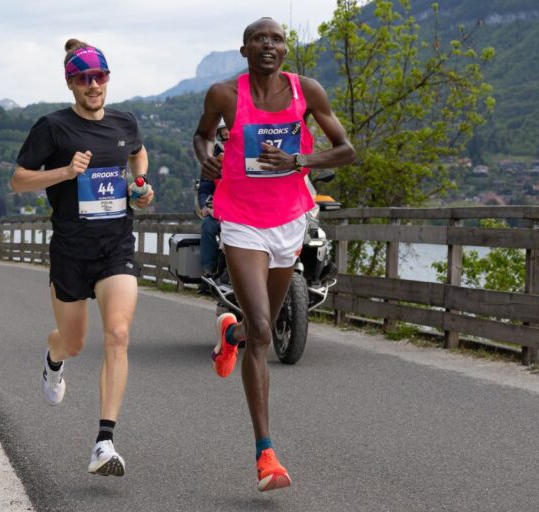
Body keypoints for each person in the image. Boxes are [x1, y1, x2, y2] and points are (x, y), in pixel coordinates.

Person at [192, 17, 355, 492]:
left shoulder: (308, 92)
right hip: (241, 220)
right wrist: (206, 155)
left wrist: (301, 160)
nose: (269, 45)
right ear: (244, 50)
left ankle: (231, 333)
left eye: (277, 39)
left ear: (286, 50)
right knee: (264, 332)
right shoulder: (225, 95)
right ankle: (266, 455)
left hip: (289, 221)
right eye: (260, 39)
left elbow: (346, 151)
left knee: (261, 325)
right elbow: (201, 135)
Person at [10, 38, 154, 477]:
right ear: (70, 82)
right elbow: (18, 181)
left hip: (115, 247)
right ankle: (54, 361)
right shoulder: (52, 128)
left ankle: (104, 442)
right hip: (71, 252)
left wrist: (141, 185)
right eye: (84, 78)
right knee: (72, 342)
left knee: (118, 333)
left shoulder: (125, 122)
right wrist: (66, 173)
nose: (94, 85)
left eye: (100, 76)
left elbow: (137, 153)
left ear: (108, 78)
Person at [197, 122, 228, 292]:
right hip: (221, 209)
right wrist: (207, 205)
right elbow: (205, 188)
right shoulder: (212, 159)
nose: (228, 135)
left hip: (246, 208)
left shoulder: (250, 153)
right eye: (224, 132)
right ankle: (207, 274)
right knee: (208, 225)